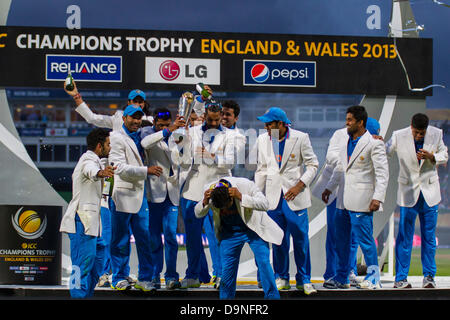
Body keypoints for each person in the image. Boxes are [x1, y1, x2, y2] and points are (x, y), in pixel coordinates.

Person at [322, 106, 388, 290]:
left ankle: (374, 278)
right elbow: (342, 168)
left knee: (366, 242)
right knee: (341, 242)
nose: (346, 123)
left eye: (350, 120)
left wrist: (378, 197)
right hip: (342, 199)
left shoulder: (374, 143)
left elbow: (383, 174)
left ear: (360, 122)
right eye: (347, 119)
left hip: (363, 200)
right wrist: (329, 187)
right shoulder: (345, 142)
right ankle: (342, 277)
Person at [255, 107, 319, 295]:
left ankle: (304, 279)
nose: (266, 127)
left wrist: (300, 185)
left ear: (281, 124)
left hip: (295, 195)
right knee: (277, 239)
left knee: (300, 239)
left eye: (270, 123)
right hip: (273, 198)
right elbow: (261, 169)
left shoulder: (300, 137)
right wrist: (257, 197)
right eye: (265, 124)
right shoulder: (262, 140)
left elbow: (313, 165)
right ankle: (282, 277)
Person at [386, 113, 448, 288]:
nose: (419, 136)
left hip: (430, 193)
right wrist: (375, 142)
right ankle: (401, 278)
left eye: (422, 133)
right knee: (404, 236)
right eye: (416, 132)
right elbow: (386, 151)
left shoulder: (436, 133)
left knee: (429, 237)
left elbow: (444, 153)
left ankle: (429, 277)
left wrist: (433, 157)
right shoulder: (399, 135)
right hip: (408, 193)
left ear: (426, 129)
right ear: (411, 126)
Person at [194, 177, 283, 299]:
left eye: (227, 206)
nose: (225, 209)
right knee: (227, 273)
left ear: (231, 196)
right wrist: (204, 201)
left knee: (264, 262)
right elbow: (197, 213)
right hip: (229, 234)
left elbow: (265, 204)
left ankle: (272, 297)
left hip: (252, 230)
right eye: (222, 208)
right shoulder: (211, 191)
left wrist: (241, 196)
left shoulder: (245, 185)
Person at [178, 102, 235, 288]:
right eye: (209, 119)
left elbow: (230, 163)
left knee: (219, 236)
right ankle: (192, 275)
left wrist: (211, 157)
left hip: (218, 191)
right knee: (192, 238)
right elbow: (182, 159)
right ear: (205, 116)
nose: (213, 123)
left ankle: (220, 275)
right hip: (192, 190)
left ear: (221, 117)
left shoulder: (231, 135)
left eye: (216, 120)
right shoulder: (192, 131)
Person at [108, 105, 159, 292]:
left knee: (145, 240)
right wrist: (147, 171)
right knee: (120, 240)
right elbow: (118, 167)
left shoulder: (141, 136)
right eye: (133, 118)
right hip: (122, 195)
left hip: (140, 195)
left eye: (139, 118)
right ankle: (119, 277)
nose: (136, 121)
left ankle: (145, 278)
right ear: (124, 119)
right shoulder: (115, 138)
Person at [60, 128, 115, 298]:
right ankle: (77, 296)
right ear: (99, 146)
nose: (110, 147)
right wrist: (101, 173)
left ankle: (86, 296)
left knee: (96, 267)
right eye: (108, 144)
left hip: (93, 223)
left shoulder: (98, 160)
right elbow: (90, 171)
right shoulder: (87, 160)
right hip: (81, 221)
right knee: (81, 266)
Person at [140, 108, 186, 290]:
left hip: (172, 193)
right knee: (153, 239)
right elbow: (145, 144)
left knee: (171, 236)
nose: (165, 127)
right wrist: (168, 130)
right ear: (155, 124)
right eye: (161, 125)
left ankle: (171, 276)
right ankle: (154, 275)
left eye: (167, 124)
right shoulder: (147, 133)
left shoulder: (178, 135)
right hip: (154, 193)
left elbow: (185, 159)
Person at [64, 79, 153, 131]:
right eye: (135, 101)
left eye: (140, 102)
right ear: (129, 102)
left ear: (144, 104)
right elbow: (92, 118)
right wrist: (76, 96)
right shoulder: (118, 117)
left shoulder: (151, 121)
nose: (137, 104)